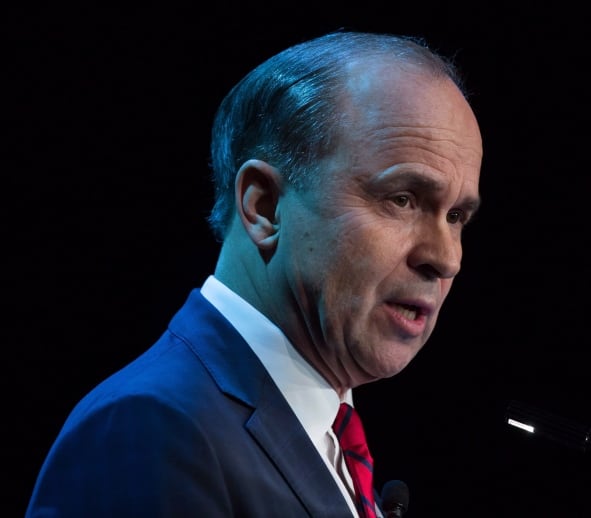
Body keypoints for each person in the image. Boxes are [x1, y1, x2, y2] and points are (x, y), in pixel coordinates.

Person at [25, 29, 483, 517]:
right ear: (264, 207)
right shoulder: (152, 428)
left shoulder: (328, 440)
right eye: (403, 199)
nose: (446, 257)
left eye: (457, 217)